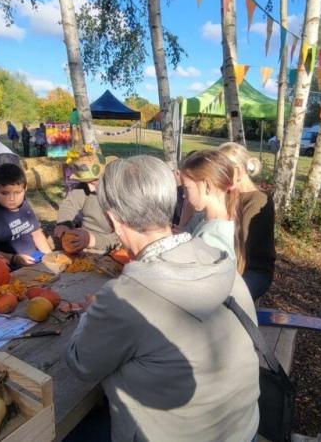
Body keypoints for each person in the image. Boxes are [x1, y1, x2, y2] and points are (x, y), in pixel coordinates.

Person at [65, 155, 260, 442]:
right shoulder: (217, 258)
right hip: (242, 428)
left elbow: (81, 363)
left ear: (114, 220)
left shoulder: (125, 297)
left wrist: (88, 316)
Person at [219, 142, 276, 301]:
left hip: (254, 270)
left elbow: (242, 246)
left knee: (227, 299)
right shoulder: (229, 194)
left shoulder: (258, 199)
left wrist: (231, 285)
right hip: (230, 266)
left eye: (224, 170)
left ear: (239, 170)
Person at [0, 163, 52, 267]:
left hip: (34, 257)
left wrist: (50, 256)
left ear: (25, 188)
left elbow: (36, 233)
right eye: (5, 193)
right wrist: (14, 259)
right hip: (8, 265)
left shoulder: (24, 204)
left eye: (17, 192)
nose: (12, 198)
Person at [179, 150, 240, 262]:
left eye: (186, 188)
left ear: (207, 185)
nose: (183, 195)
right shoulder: (203, 219)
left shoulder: (212, 237)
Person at [53, 152, 120, 254]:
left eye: (93, 182)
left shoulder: (121, 196)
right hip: (83, 237)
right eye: (86, 183)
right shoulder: (85, 187)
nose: (90, 188)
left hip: (109, 246)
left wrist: (92, 240)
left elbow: (120, 237)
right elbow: (70, 204)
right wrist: (63, 224)